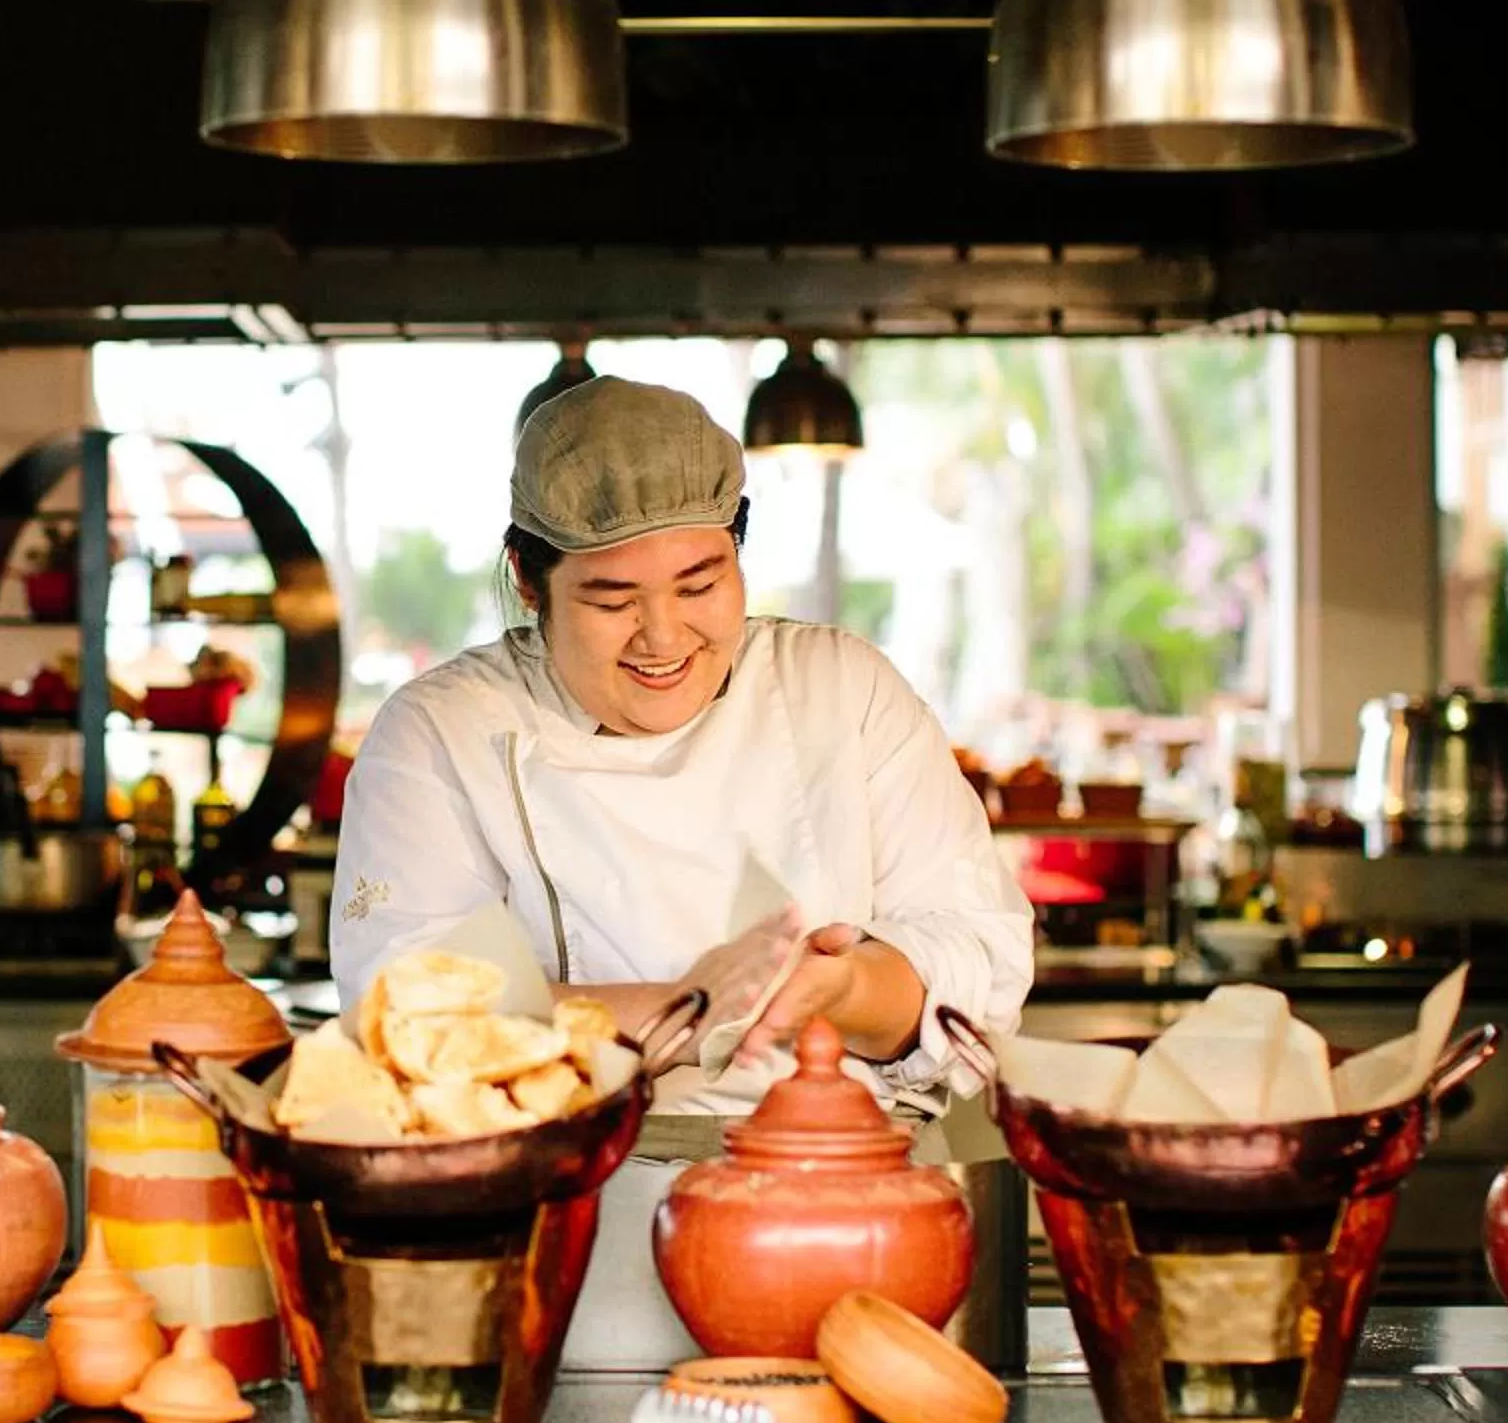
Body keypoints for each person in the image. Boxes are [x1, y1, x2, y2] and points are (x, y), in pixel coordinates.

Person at [329, 376, 1032, 1119]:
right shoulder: (441, 731)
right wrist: (695, 1008)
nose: (663, 639)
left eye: (699, 586)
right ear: (528, 584)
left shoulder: (840, 688)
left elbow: (981, 960)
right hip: (569, 1192)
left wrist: (844, 989)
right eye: (612, 600)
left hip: (838, 1183)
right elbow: (403, 1009)